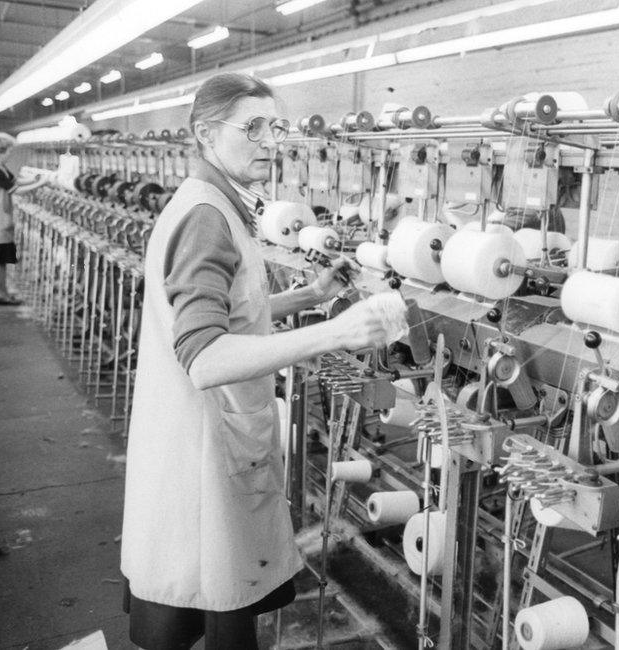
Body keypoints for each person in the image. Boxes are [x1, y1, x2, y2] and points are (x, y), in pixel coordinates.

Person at [120, 72, 391, 650]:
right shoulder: (206, 218)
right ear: (205, 133)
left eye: (276, 127)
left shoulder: (212, 203)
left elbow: (232, 312)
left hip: (202, 434)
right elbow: (204, 355)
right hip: (204, 443)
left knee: (211, 595)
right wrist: (334, 332)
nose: (271, 141)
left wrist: (309, 298)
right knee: (211, 599)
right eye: (253, 127)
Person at [0, 132, 48, 305]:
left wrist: (36, 178)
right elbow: (15, 190)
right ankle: (2, 295)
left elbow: (15, 181)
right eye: (9, 150)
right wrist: (41, 184)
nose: (11, 154)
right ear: (1, 150)